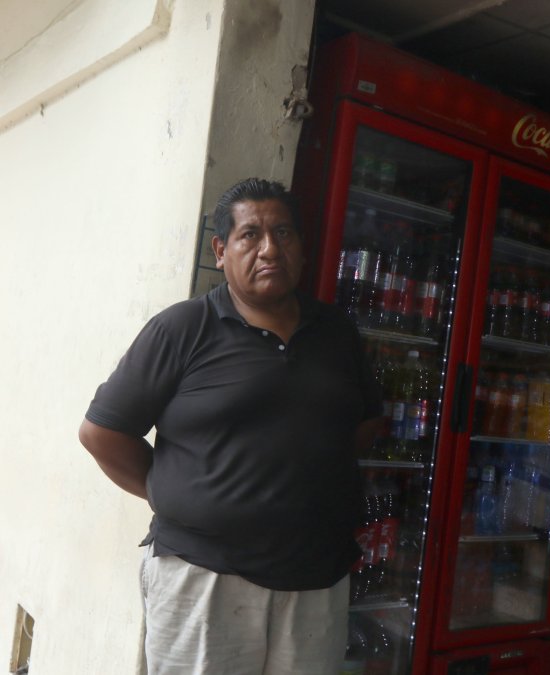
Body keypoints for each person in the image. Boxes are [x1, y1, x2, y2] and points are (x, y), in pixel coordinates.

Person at [79, 178, 383, 674]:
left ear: (302, 248)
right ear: (221, 250)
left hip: (316, 577)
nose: (270, 249)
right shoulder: (183, 329)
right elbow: (102, 435)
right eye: (250, 235)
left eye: (284, 234)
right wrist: (175, 492)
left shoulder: (337, 333)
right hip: (204, 580)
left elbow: (363, 424)